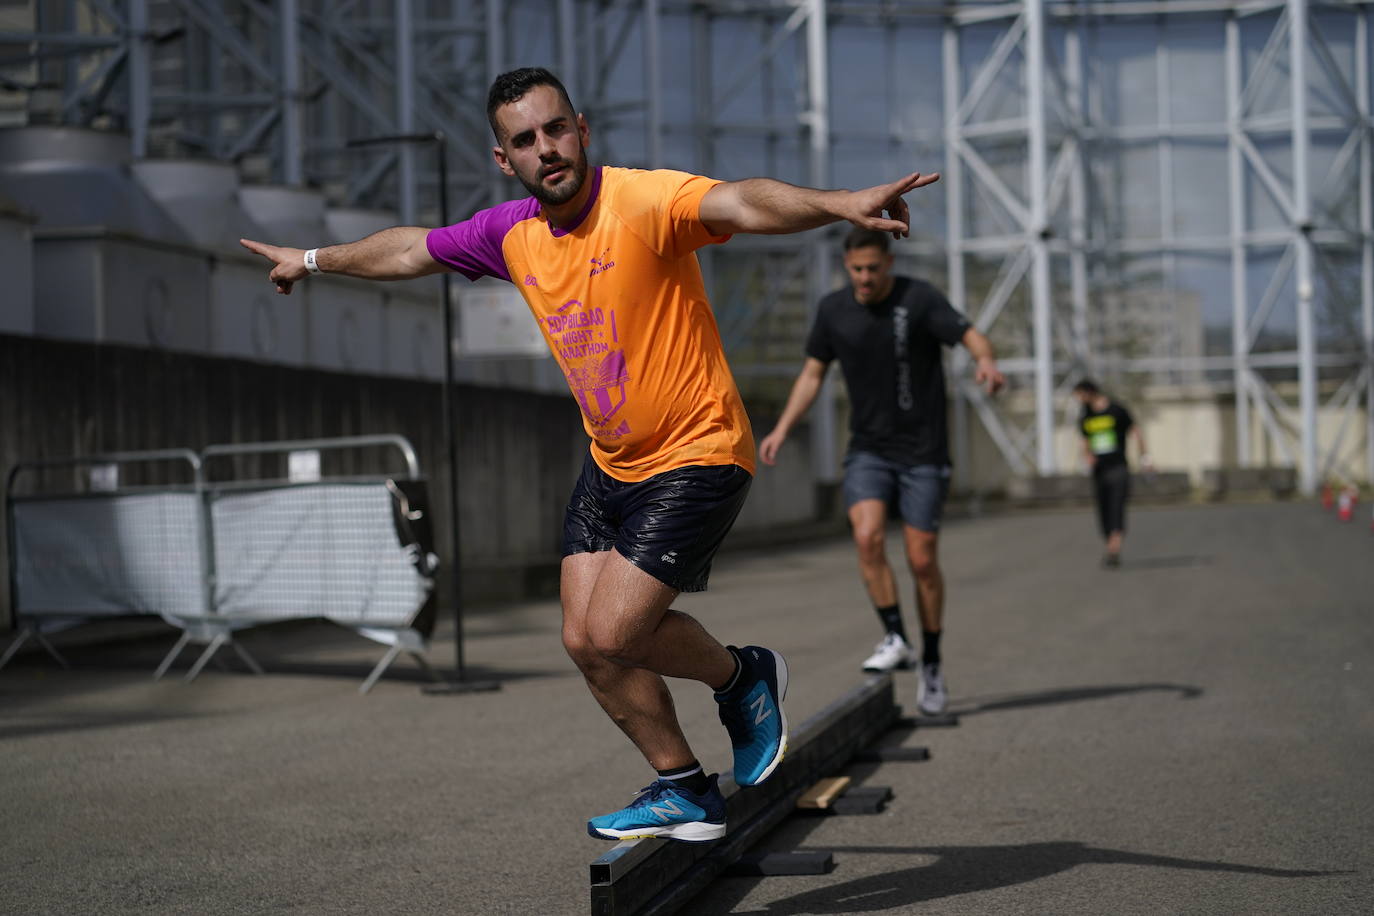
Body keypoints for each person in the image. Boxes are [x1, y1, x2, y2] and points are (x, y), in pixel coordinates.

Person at [241, 67, 942, 843]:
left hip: (698, 450)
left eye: (555, 129)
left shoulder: (643, 201)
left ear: (582, 130)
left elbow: (742, 201)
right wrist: (312, 260)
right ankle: (684, 787)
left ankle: (742, 676)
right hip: (611, 464)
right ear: (504, 159)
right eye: (525, 140)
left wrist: (838, 204)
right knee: (585, 642)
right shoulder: (510, 233)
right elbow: (411, 251)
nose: (546, 149)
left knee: (615, 632)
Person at [757, 228, 1003, 716]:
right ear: (846, 267)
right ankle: (896, 636)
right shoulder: (833, 310)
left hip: (924, 452)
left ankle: (931, 662)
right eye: (857, 270)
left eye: (873, 268)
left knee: (922, 560)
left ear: (888, 263)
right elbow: (812, 373)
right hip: (869, 449)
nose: (865, 278)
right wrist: (783, 428)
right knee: (867, 536)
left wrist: (987, 362)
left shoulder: (919, 298)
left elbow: (970, 335)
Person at [1072, 379, 1150, 568]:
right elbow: (1085, 440)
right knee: (1103, 509)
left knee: (1117, 506)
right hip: (1099, 470)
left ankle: (1114, 549)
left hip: (1118, 467)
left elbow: (1135, 431)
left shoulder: (1116, 410)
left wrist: (1145, 458)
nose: (1079, 399)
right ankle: (1110, 544)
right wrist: (1086, 457)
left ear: (1089, 392)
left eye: (1080, 395)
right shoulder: (1086, 415)